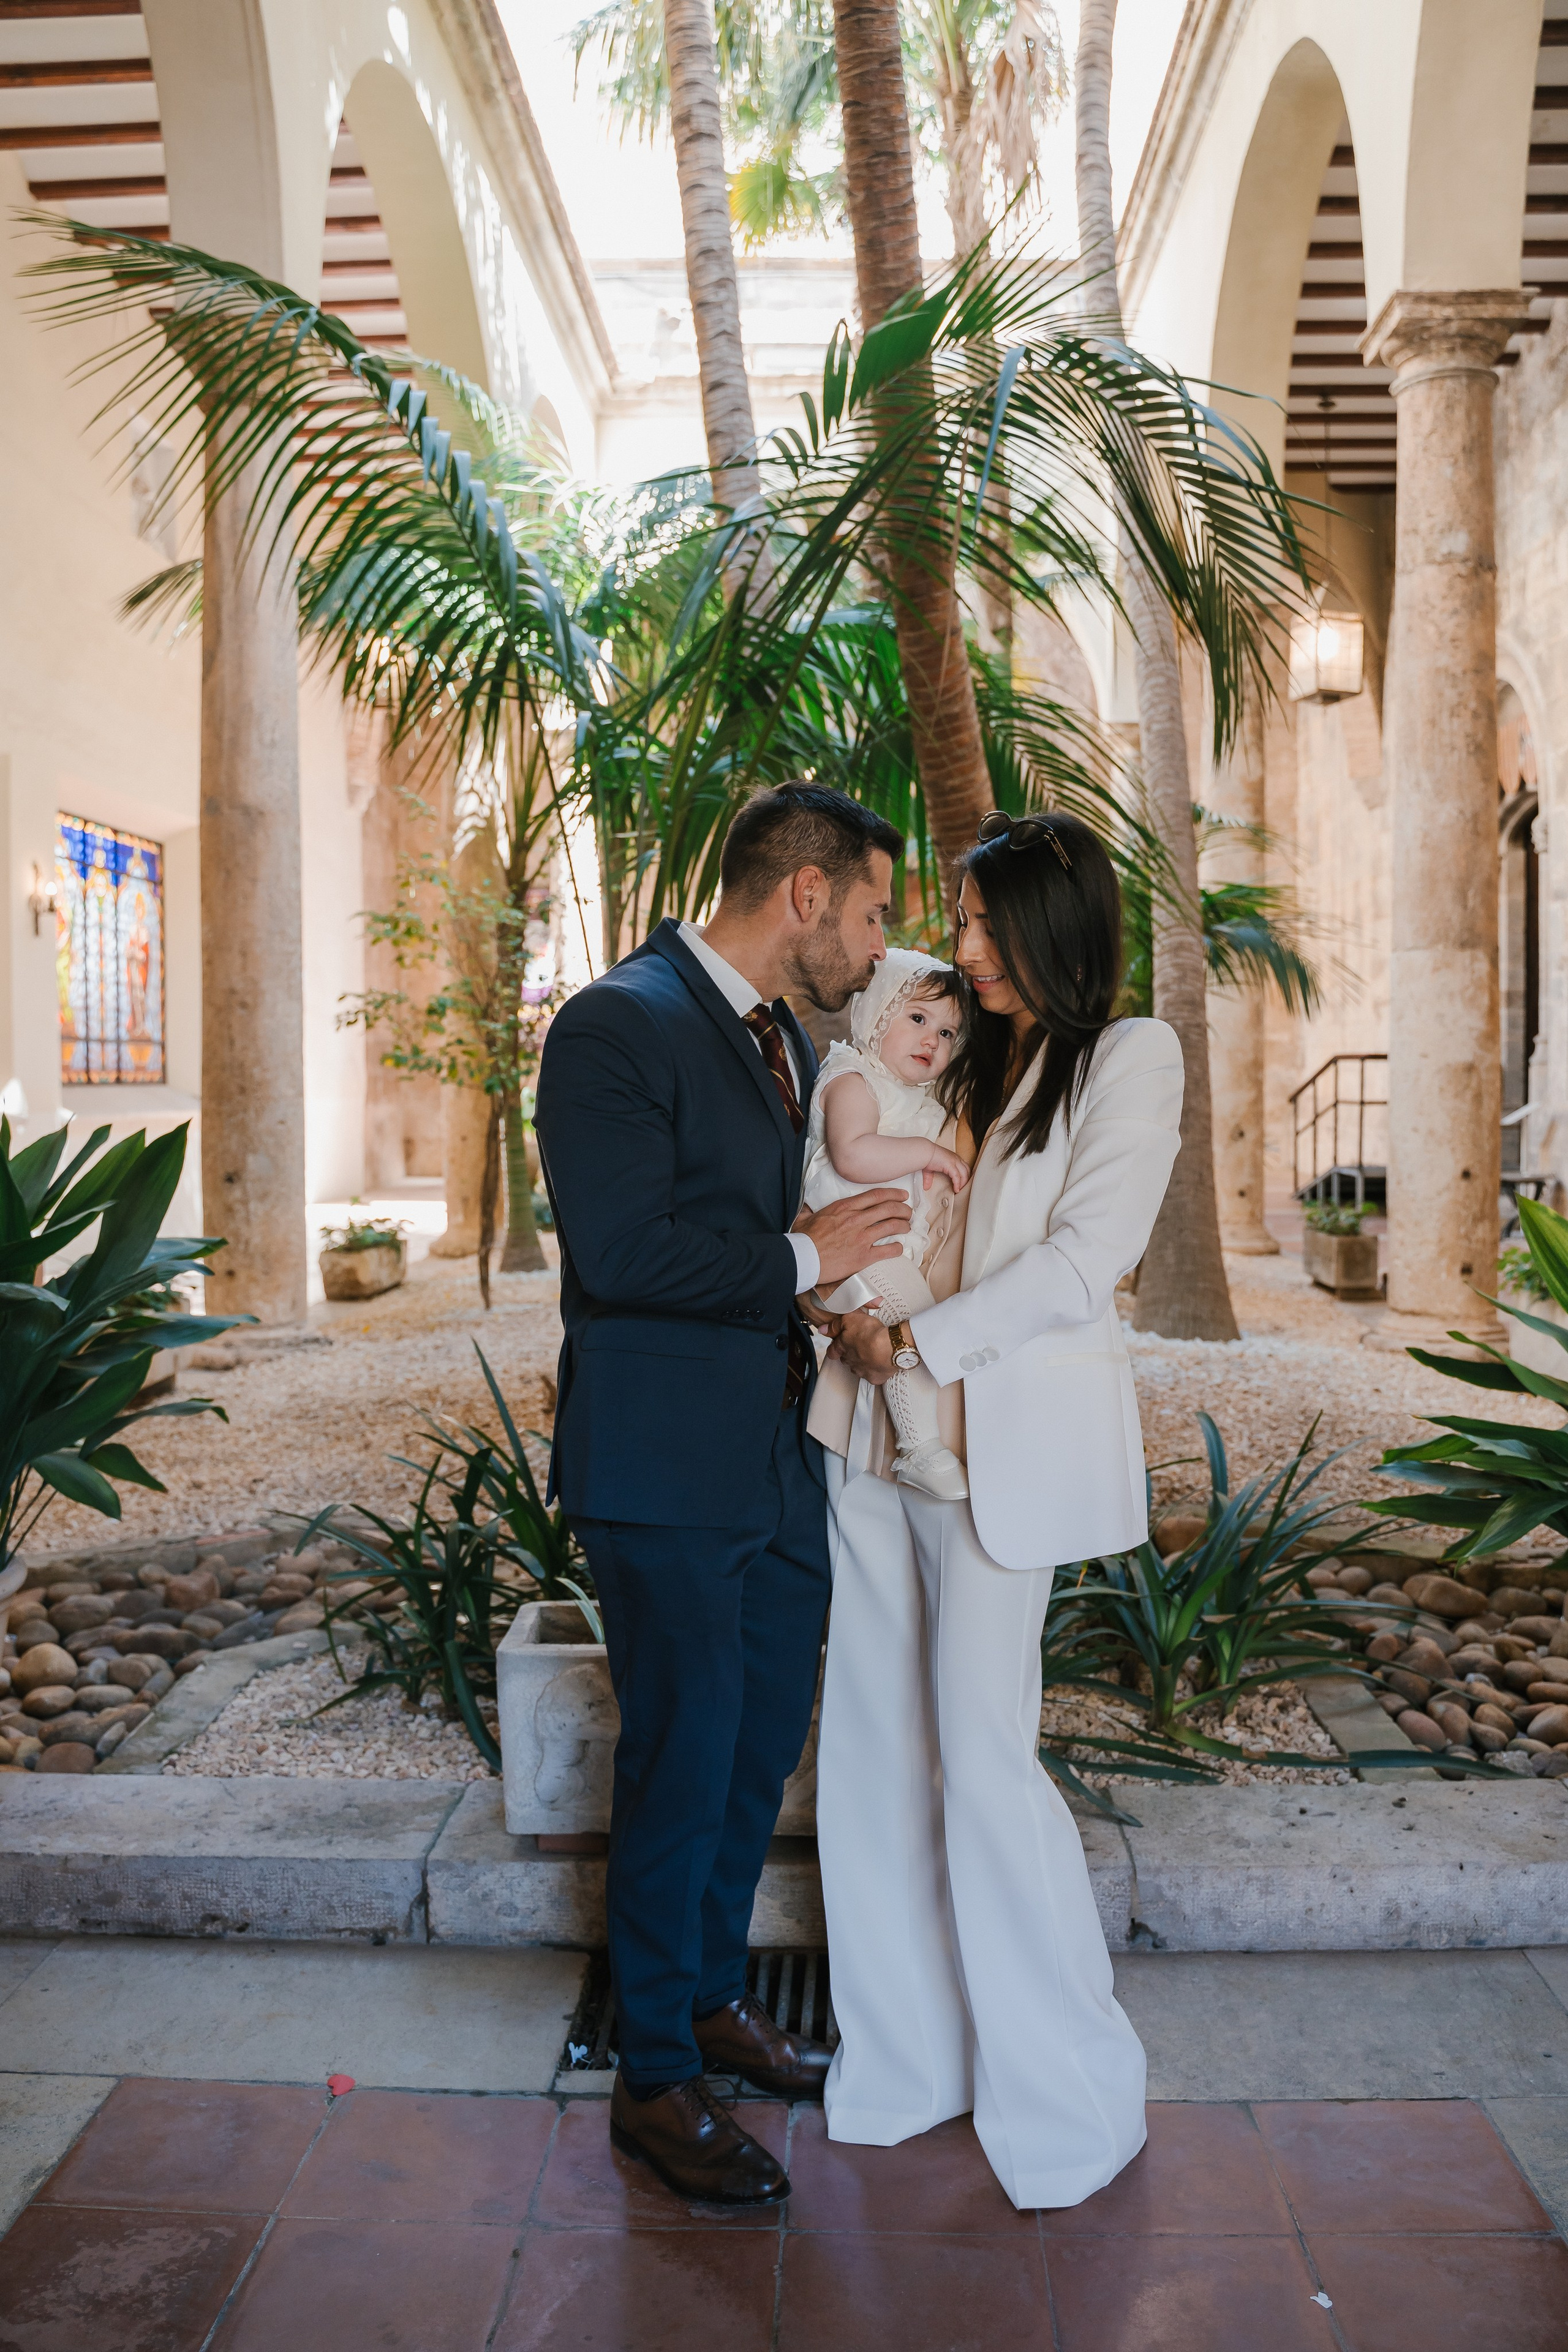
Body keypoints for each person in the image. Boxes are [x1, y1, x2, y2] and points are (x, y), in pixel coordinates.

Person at [534, 782, 912, 2207]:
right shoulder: (614, 1022)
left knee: (749, 1758)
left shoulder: (779, 1040)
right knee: (679, 1762)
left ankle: (702, 1998)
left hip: (767, 1463)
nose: (878, 945)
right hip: (660, 1469)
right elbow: (623, 1253)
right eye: (870, 909)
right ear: (801, 892)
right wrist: (806, 1260)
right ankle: (649, 2079)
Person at [809, 807, 1184, 2211]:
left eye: (977, 922)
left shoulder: (1126, 1057)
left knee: (982, 1765)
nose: (956, 951)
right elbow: (863, 1171)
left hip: (988, 1461)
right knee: (869, 1755)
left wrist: (921, 1342)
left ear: (1048, 922)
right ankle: (909, 2065)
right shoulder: (959, 1049)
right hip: (868, 1443)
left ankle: (1064, 2092)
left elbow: (1085, 1259)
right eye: (955, 926)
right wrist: (830, 1298)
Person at [801, 948, 971, 1499]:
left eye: (948, 1034)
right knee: (914, 1322)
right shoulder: (854, 1079)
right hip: (857, 1243)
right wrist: (926, 1152)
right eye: (918, 1019)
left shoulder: (913, 1093)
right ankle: (919, 1447)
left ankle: (912, 1443)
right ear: (877, 1015)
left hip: (881, 1245)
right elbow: (853, 1154)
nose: (933, 1041)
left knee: (911, 1323)